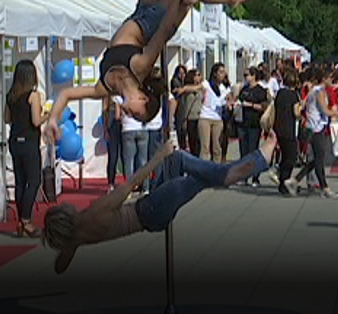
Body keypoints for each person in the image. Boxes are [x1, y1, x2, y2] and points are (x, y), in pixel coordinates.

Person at [46, 0, 251, 139]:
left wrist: (53, 119)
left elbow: (66, 94)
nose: (129, 114)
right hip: (151, 22)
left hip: (138, 13)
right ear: (143, 98)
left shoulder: (104, 88)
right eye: (136, 114)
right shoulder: (139, 69)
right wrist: (179, 4)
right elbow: (163, 32)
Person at [43, 135, 278, 274]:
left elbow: (59, 268)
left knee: (177, 159)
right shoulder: (94, 213)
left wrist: (55, 237)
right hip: (150, 210)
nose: (66, 204)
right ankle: (250, 165)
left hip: (150, 210)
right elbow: (132, 182)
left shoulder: (77, 237)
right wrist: (158, 156)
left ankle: (231, 171)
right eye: (63, 207)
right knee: (200, 177)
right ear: (65, 216)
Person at [287, 67, 338, 198]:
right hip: (316, 128)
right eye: (330, 78)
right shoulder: (319, 92)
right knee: (319, 160)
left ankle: (295, 180)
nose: (332, 81)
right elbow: (326, 111)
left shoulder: (313, 91)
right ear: (324, 79)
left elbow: (304, 105)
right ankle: (324, 188)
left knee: (317, 159)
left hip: (312, 127)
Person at [5, 60, 47, 237]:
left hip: (15, 140)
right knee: (34, 180)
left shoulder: (11, 95)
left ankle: (21, 222)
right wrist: (48, 114)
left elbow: (7, 119)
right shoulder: (33, 96)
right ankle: (26, 220)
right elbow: (36, 121)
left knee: (20, 181)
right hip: (29, 141)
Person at [236, 67, 270, 186]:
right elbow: (238, 100)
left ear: (254, 76)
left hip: (254, 124)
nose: (245, 77)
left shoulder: (260, 90)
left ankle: (255, 177)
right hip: (242, 122)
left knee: (253, 150)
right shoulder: (244, 89)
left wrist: (250, 105)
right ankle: (243, 177)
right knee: (243, 151)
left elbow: (264, 107)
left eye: (247, 75)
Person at [273, 69, 302, 197]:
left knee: (285, 154)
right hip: (289, 128)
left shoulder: (280, 93)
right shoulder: (293, 95)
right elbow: (296, 113)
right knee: (291, 156)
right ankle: (283, 179)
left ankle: (282, 183)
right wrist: (301, 111)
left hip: (278, 126)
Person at [198, 63, 232, 162]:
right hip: (205, 117)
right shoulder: (207, 84)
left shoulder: (224, 88)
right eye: (221, 72)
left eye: (224, 72)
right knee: (205, 147)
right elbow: (196, 87)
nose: (223, 74)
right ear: (215, 73)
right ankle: (204, 167)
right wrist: (183, 89)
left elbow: (230, 99)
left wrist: (229, 103)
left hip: (218, 119)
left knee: (217, 147)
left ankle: (216, 167)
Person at [121, 103, 150, 192]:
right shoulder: (142, 97)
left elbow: (117, 115)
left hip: (128, 128)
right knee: (143, 160)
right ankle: (145, 187)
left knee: (129, 161)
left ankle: (129, 188)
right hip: (142, 128)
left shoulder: (121, 97)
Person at [179, 69, 204, 156]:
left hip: (200, 117)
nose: (199, 77)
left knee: (199, 141)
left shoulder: (202, 88)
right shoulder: (188, 89)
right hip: (190, 117)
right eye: (197, 75)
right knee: (192, 140)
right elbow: (186, 89)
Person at [103, 95, 123, 191]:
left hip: (124, 126)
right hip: (113, 127)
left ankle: (128, 181)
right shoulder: (108, 97)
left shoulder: (125, 93)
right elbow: (106, 114)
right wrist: (105, 130)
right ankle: (111, 182)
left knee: (125, 156)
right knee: (113, 156)